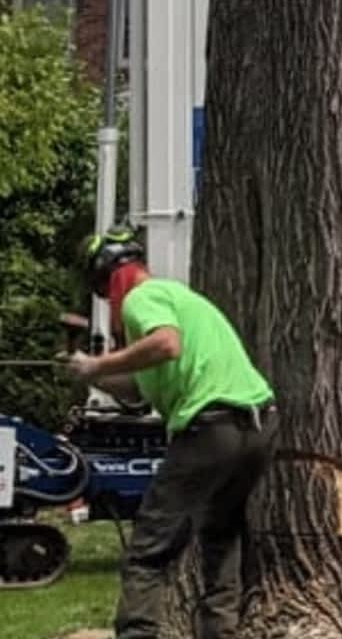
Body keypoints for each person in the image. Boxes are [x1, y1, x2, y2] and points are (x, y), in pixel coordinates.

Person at [63, 228, 278, 639]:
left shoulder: (143, 297)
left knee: (148, 549)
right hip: (258, 425)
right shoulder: (181, 298)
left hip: (210, 427)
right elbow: (141, 388)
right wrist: (93, 374)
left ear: (106, 279)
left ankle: (136, 634)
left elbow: (166, 344)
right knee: (221, 532)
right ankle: (221, 630)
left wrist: (97, 365)